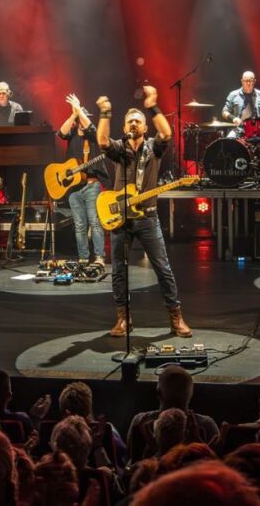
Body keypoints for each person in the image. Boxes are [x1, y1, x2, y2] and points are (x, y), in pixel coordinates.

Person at [96, 86, 189, 337]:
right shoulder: (119, 148)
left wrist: (152, 105)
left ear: (145, 127)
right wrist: (105, 113)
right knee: (119, 269)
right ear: (125, 127)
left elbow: (167, 133)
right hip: (120, 218)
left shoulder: (153, 148)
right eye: (130, 122)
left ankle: (176, 318)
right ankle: (123, 319)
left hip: (147, 217)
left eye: (138, 121)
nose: (134, 124)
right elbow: (102, 141)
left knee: (162, 267)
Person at [59, 94, 110, 263]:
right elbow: (61, 132)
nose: (82, 119)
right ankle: (83, 257)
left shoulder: (94, 136)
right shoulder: (72, 134)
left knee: (94, 223)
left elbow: (92, 127)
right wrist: (73, 114)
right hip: (73, 188)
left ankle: (99, 257)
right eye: (80, 117)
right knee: (80, 226)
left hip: (91, 186)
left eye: (83, 116)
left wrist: (78, 109)